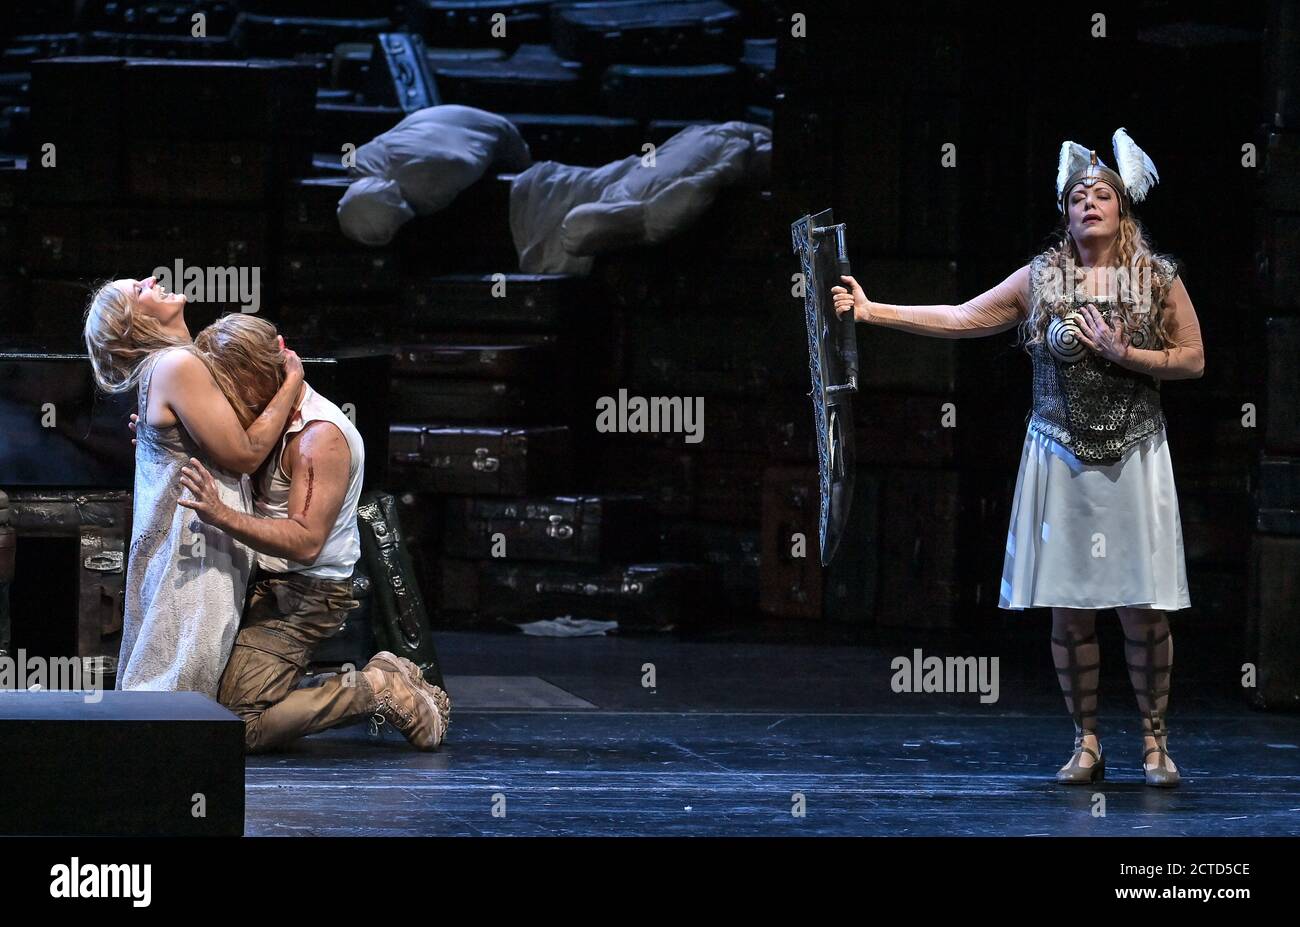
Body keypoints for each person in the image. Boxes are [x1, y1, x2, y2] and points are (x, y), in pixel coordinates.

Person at [832, 129, 1204, 788]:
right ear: (1064, 214)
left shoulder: (1155, 279)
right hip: (1060, 455)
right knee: (1070, 610)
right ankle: (1085, 740)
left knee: (1143, 608)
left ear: (1123, 209)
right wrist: (871, 311)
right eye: (1077, 197)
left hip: (1135, 455)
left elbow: (1193, 359)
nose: (1089, 203)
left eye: (1101, 195)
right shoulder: (1043, 278)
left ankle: (1155, 742)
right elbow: (961, 316)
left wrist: (1128, 356)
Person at [168, 314, 452, 753]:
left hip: (305, 592)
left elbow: (306, 540)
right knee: (208, 701)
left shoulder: (319, 438)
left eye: (230, 389)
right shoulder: (269, 411)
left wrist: (221, 515)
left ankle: (379, 688)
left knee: (240, 725)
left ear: (261, 376)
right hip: (262, 581)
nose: (223, 401)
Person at [84, 275, 303, 696]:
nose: (153, 279)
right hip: (194, 548)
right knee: (179, 677)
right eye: (139, 290)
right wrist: (292, 381)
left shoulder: (176, 363)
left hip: (189, 543)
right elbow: (244, 454)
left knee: (175, 670)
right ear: (134, 323)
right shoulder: (176, 366)